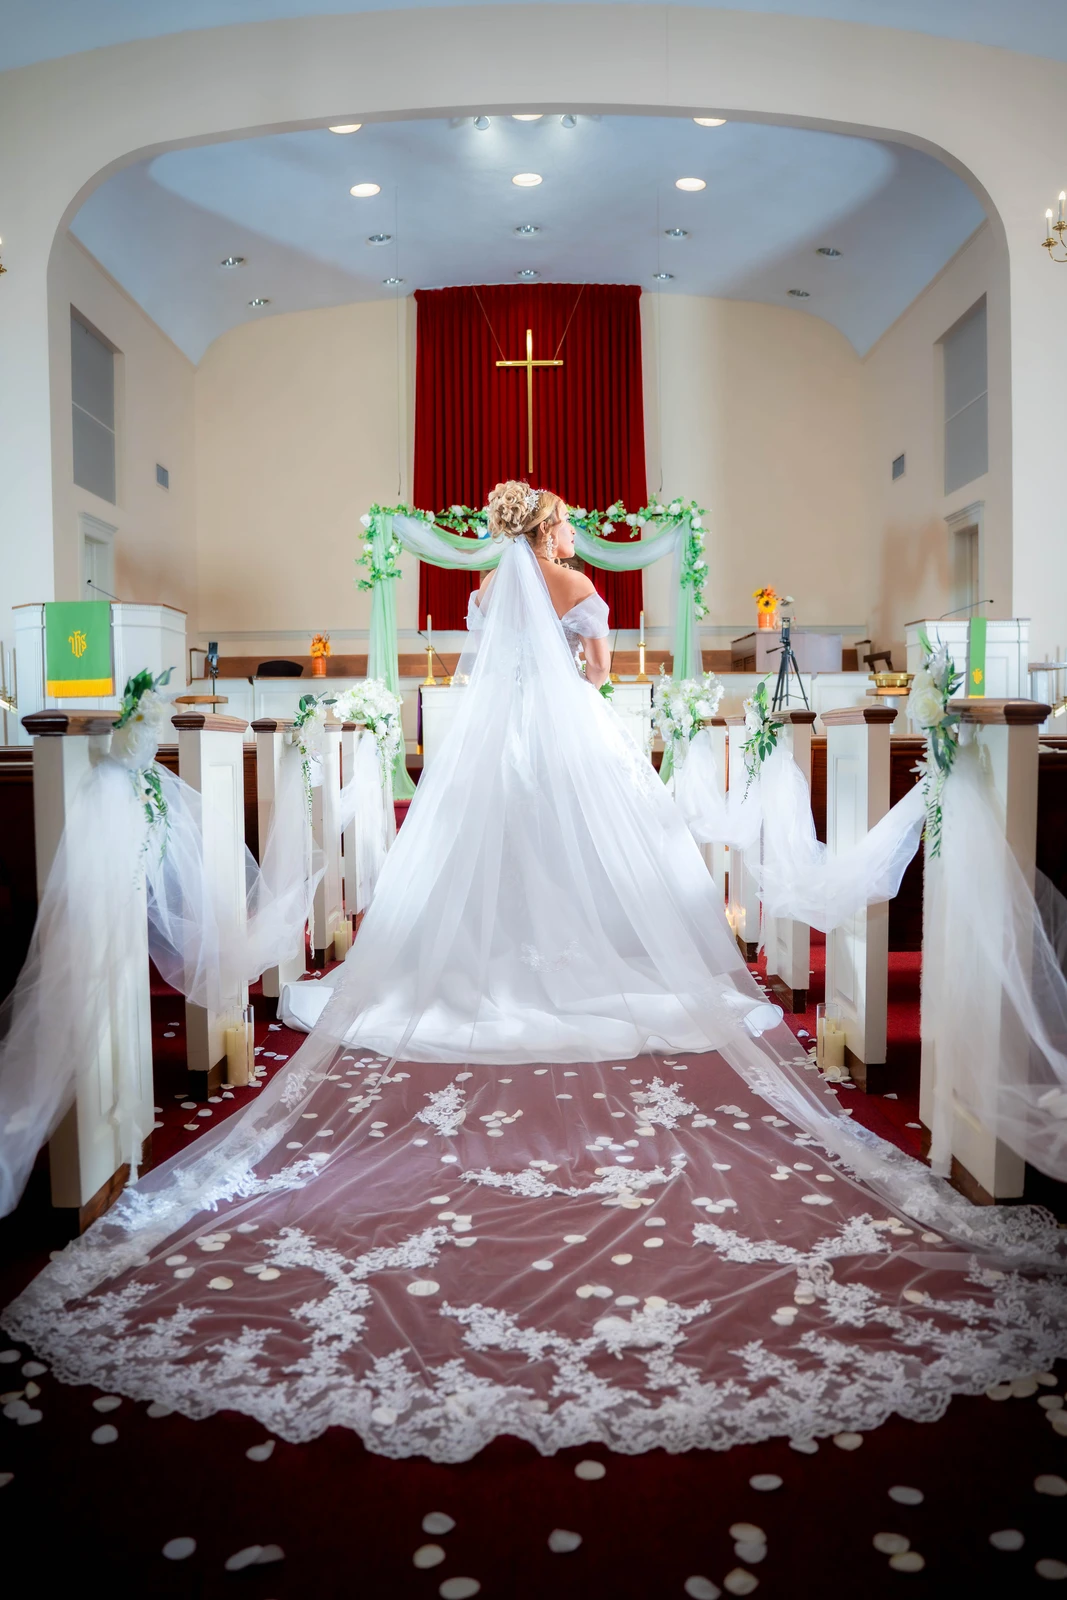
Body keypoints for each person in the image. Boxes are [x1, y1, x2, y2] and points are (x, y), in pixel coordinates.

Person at [5, 480, 1066, 1461]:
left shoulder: (488, 593)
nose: (560, 537)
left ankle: (491, 966)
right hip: (573, 748)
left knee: (490, 868)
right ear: (551, 530)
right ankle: (584, 964)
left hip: (497, 750)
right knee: (601, 866)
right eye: (558, 525)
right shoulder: (580, 588)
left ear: (499, 533)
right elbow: (595, 678)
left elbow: (490, 673)